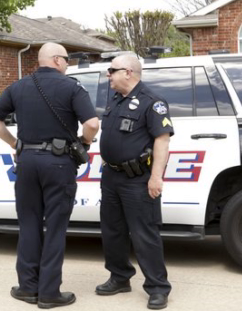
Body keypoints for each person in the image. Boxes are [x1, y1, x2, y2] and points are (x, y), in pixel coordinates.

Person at [0, 42, 99, 309]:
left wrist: (14, 144)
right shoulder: (71, 87)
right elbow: (92, 124)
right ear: (57, 60)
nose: (68, 64)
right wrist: (84, 142)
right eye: (67, 59)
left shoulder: (18, 86)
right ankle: (49, 293)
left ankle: (27, 288)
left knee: (29, 224)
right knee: (56, 227)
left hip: (26, 162)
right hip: (58, 164)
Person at [96, 54, 173, 310]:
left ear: (128, 72)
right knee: (112, 231)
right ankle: (119, 277)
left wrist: (156, 177)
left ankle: (158, 288)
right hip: (111, 177)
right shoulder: (116, 100)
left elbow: (162, 141)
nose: (108, 75)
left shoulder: (152, 102)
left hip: (138, 179)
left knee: (144, 234)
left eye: (112, 70)